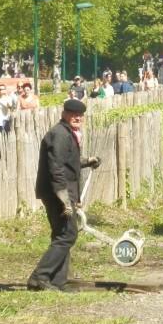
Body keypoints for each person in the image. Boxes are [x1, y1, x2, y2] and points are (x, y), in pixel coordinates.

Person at [27, 99, 101, 291]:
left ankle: (57, 281)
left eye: (80, 115)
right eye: (73, 114)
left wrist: (87, 161)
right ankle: (39, 277)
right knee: (67, 235)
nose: (77, 117)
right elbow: (56, 168)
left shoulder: (67, 133)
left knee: (62, 234)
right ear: (64, 113)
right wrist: (64, 199)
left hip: (61, 192)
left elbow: (68, 161)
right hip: (57, 193)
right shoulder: (60, 134)